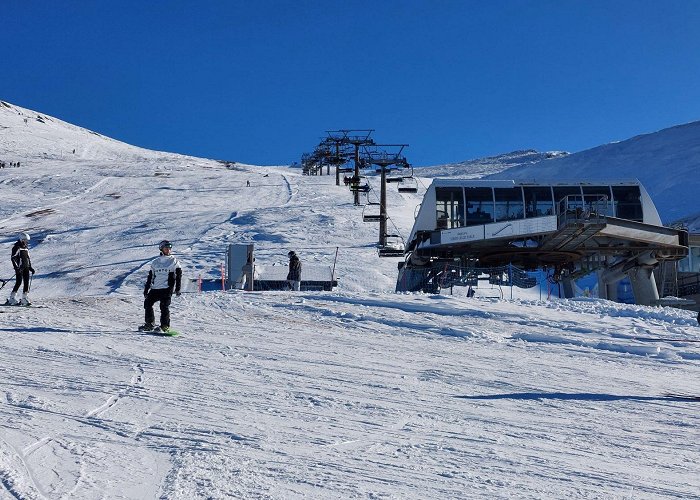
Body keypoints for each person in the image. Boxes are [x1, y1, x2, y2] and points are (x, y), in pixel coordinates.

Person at [139, 240, 182, 333]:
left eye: (169, 248)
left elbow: (179, 276)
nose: (168, 250)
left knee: (164, 306)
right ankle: (149, 324)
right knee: (147, 304)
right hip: (155, 288)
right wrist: (146, 290)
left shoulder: (174, 261)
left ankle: (164, 326)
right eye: (166, 248)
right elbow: (150, 277)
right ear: (161, 249)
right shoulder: (155, 262)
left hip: (167, 288)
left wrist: (177, 289)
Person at [6, 232, 35, 306]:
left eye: (27, 240)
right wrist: (17, 268)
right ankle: (12, 298)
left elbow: (28, 258)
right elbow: (13, 258)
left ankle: (24, 298)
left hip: (26, 268)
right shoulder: (17, 247)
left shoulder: (26, 248)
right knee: (18, 282)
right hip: (19, 268)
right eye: (25, 240)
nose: (26, 241)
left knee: (26, 283)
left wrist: (30, 267)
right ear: (21, 239)